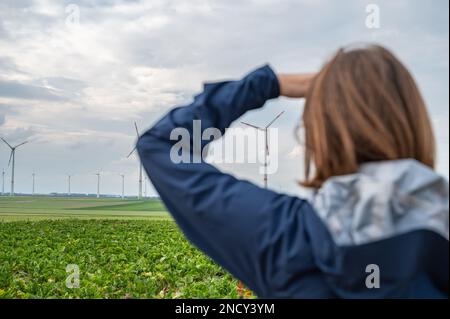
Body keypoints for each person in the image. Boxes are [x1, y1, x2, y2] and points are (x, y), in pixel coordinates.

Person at [136, 44, 449, 298]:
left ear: (319, 130)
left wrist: (268, 84)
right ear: (414, 121)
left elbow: (161, 145)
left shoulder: (285, 239)